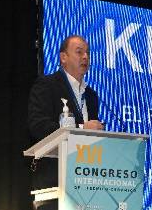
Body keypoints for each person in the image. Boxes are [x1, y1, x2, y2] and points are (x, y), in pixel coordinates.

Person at [28, 35, 104, 210]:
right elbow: (37, 126)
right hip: (55, 184)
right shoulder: (47, 85)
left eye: (88, 53)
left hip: (86, 185)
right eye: (79, 52)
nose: (85, 57)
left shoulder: (91, 96)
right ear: (64, 57)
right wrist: (81, 128)